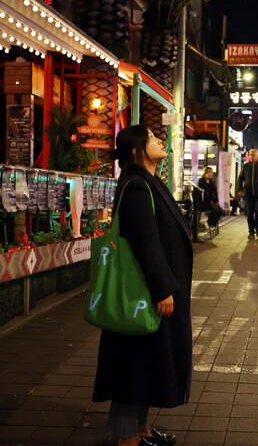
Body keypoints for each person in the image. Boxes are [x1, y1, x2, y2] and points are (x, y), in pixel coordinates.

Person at [93, 125, 192, 446]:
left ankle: (140, 428)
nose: (159, 141)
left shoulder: (147, 182)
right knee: (134, 366)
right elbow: (144, 242)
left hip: (151, 291)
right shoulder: (137, 187)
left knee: (147, 361)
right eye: (151, 138)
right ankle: (125, 438)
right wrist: (162, 287)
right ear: (137, 149)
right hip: (145, 293)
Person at [236, 149, 258, 239]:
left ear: (257, 156)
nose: (251, 156)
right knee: (250, 212)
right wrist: (240, 189)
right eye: (250, 155)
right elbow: (240, 179)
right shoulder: (246, 166)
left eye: (253, 154)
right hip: (248, 193)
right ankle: (251, 231)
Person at [198, 166, 222, 232]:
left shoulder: (212, 182)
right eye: (209, 172)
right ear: (205, 173)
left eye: (212, 172)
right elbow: (203, 194)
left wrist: (216, 201)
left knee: (220, 210)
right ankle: (210, 224)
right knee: (214, 209)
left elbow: (214, 193)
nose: (211, 174)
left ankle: (212, 223)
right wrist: (210, 200)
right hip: (203, 202)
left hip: (211, 202)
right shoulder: (201, 182)